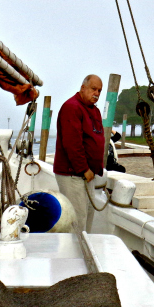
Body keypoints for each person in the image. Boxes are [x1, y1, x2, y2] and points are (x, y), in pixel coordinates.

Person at [53, 74, 105, 232]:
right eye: (93, 89)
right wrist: (84, 169)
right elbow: (72, 143)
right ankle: (75, 254)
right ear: (83, 88)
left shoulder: (94, 111)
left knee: (87, 214)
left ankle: (84, 252)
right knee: (77, 218)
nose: (96, 93)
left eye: (99, 90)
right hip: (73, 173)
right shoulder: (72, 107)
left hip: (87, 174)